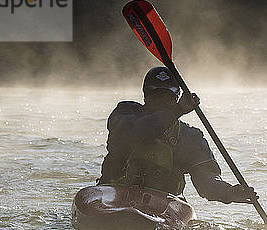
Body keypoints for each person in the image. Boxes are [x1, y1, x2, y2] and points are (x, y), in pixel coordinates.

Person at [97, 66, 257, 204]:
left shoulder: (190, 137)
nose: (161, 101)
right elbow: (140, 133)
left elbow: (206, 182)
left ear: (176, 98)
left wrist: (229, 192)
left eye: (167, 96)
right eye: (156, 95)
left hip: (162, 203)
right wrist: (177, 110)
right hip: (114, 194)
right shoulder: (125, 115)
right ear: (145, 96)